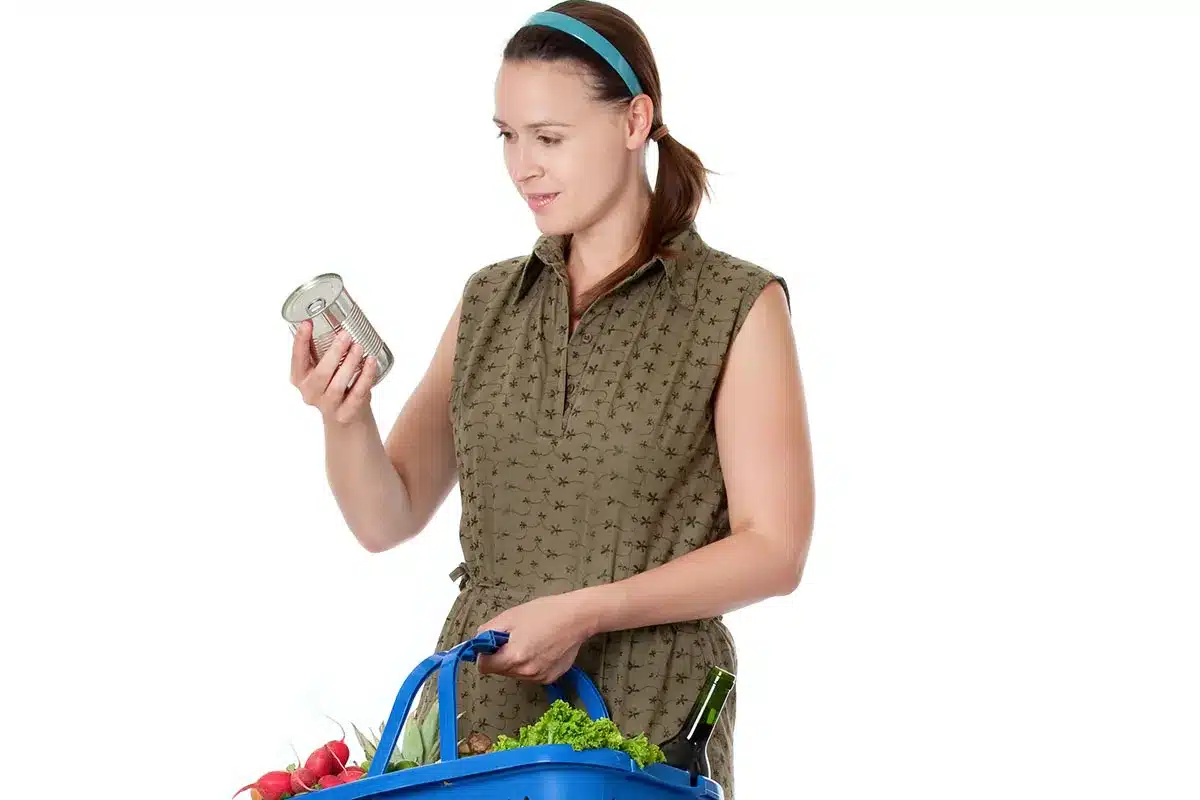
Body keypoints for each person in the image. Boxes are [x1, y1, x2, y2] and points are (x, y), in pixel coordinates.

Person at [288, 2, 815, 796]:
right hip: (472, 720)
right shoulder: (490, 301)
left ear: (635, 120)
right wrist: (344, 416)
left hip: (645, 716)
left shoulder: (734, 305)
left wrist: (585, 612)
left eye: (550, 137)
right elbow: (385, 516)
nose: (522, 166)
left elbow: (775, 549)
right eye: (507, 135)